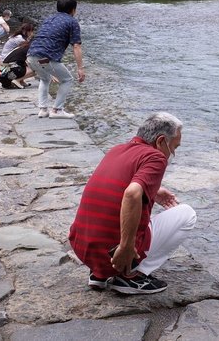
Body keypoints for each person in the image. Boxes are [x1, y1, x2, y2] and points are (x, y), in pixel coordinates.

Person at [69, 112, 196, 295]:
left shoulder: (117, 149)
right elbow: (131, 194)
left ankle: (100, 274)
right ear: (161, 141)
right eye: (174, 147)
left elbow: (114, 185)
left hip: (84, 250)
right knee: (187, 214)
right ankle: (130, 275)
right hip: (116, 254)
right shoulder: (156, 157)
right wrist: (126, 247)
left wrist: (154, 190)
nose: (172, 154)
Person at [26, 0, 85, 119]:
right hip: (46, 58)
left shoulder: (49, 19)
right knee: (67, 79)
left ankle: (43, 109)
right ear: (73, 10)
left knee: (45, 78)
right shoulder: (72, 21)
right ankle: (57, 110)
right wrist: (80, 68)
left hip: (31, 55)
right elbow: (76, 46)